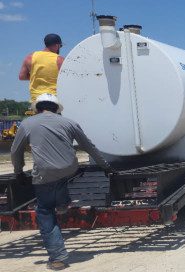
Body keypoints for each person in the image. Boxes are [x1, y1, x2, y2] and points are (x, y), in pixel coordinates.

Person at [11, 93, 112, 271]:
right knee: (61, 179)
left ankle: (57, 258)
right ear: (57, 109)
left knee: (45, 211)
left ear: (37, 108)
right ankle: (63, 202)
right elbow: (88, 146)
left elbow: (15, 152)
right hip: (69, 169)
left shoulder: (27, 124)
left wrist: (18, 171)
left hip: (45, 175)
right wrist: (105, 166)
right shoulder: (69, 123)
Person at [19, 34, 65, 105]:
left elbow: (22, 77)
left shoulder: (30, 57)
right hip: (54, 99)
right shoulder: (60, 60)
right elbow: (67, 79)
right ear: (57, 45)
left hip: (36, 100)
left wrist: (36, 76)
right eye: (60, 46)